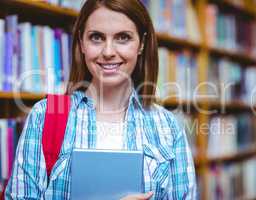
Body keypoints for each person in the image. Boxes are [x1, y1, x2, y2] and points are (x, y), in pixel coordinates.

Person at [5, 0, 197, 199]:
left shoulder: (168, 126)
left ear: (141, 44)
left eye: (123, 37)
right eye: (96, 37)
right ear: (81, 43)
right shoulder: (44, 115)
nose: (108, 52)